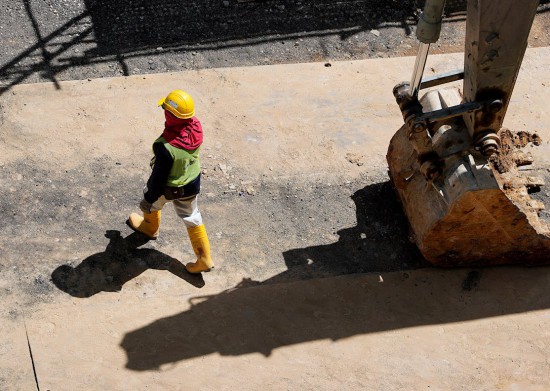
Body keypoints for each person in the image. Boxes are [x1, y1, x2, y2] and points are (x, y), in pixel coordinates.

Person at [127, 89, 214, 274]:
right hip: (192, 182)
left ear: (171, 115)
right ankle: (204, 259)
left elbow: (158, 178)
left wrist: (149, 197)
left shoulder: (165, 147)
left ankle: (150, 228)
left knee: (151, 204)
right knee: (192, 217)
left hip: (170, 188)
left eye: (166, 109)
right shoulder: (195, 128)